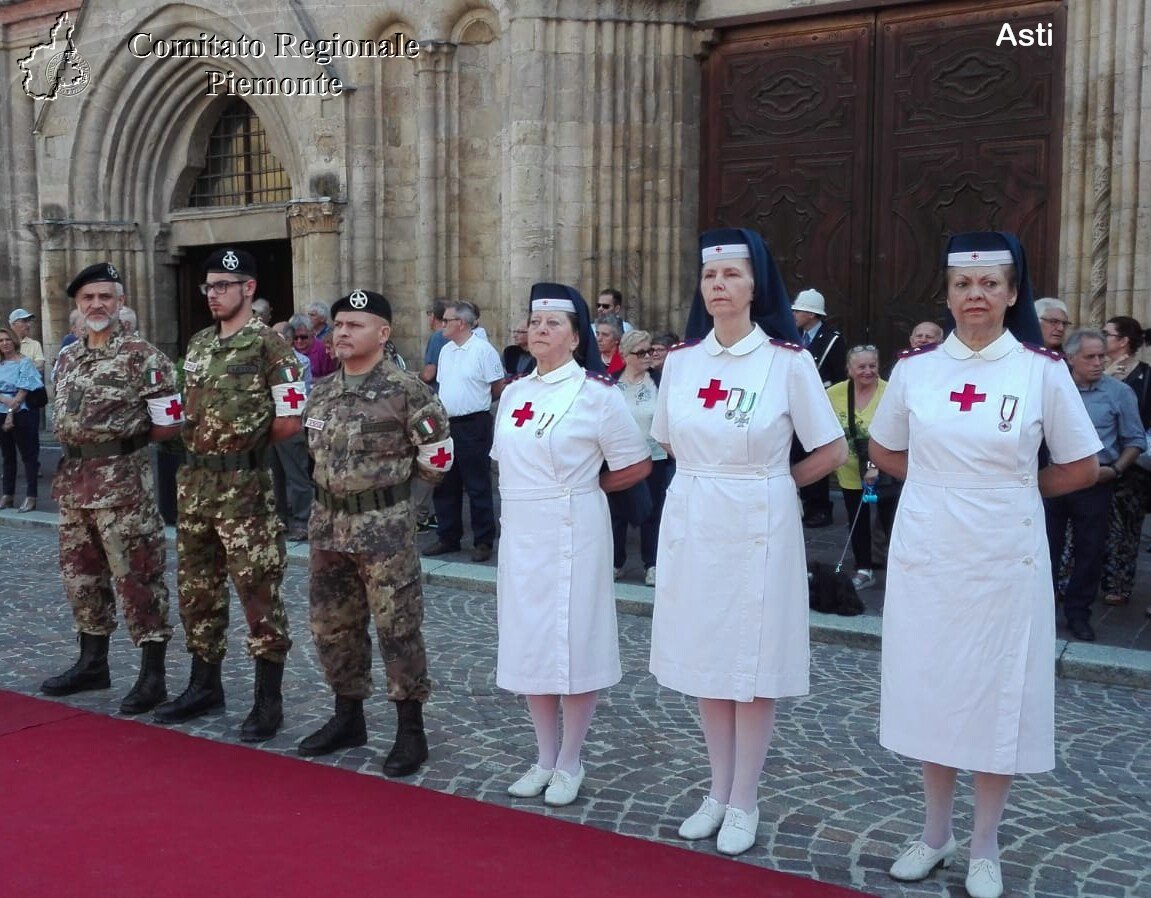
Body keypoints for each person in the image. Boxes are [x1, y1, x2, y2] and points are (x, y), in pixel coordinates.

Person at [868, 232, 1101, 898]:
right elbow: (884, 451)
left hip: (1004, 552)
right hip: (929, 549)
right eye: (963, 286)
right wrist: (943, 485)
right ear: (946, 294)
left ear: (1011, 293)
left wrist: (1011, 492)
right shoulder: (915, 371)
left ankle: (984, 845)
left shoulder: (1040, 371)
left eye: (989, 284)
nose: (976, 297)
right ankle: (934, 833)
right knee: (933, 688)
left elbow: (1080, 465)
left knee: (996, 691)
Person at [649, 228, 847, 856]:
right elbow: (671, 441)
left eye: (732, 275)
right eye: (710, 277)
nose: (718, 286)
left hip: (760, 521)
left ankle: (746, 799)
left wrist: (776, 482)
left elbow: (833, 449)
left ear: (756, 285)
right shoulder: (681, 363)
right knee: (709, 659)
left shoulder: (787, 361)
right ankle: (717, 789)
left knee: (753, 665)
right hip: (696, 516)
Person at [494, 282, 650, 807]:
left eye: (553, 323)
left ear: (577, 336)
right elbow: (505, 463)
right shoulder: (514, 393)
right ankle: (543, 756)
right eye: (535, 321)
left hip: (574, 529)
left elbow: (636, 463)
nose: (540, 330)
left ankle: (571, 761)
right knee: (531, 640)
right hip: (521, 528)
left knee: (574, 640)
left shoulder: (596, 395)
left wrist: (584, 488)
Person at [297, 289, 454, 777]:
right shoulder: (321, 390)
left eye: (355, 325)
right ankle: (348, 716)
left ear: (383, 334)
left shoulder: (408, 392)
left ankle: (410, 729)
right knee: (332, 627)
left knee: (398, 629)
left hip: (384, 532)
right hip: (328, 528)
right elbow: (312, 458)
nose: (342, 332)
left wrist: (388, 500)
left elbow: (437, 461)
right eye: (339, 324)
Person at [154, 248, 306, 742]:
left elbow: (289, 420)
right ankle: (205, 684)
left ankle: (268, 699)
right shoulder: (198, 345)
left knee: (258, 589)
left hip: (244, 489)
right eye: (209, 287)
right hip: (195, 485)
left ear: (248, 289)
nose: (214, 294)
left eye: (223, 285)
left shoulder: (271, 348)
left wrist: (243, 448)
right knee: (197, 589)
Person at [40, 262, 183, 713]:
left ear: (121, 302)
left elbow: (169, 423)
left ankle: (152, 675)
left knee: (138, 577)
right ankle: (92, 662)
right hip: (74, 485)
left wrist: (121, 446)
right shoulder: (67, 356)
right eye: (88, 298)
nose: (97, 305)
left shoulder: (146, 357)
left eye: (106, 296)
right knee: (81, 578)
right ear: (78, 307)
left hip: (123, 487)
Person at [1044, 328, 1144, 642]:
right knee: (1044, 547)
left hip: (1095, 482)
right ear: (1070, 358)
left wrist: (1114, 470)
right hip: (1052, 480)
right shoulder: (1051, 390)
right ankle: (1041, 612)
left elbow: (1135, 440)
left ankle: (1078, 614)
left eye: (1102, 355)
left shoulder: (1119, 393)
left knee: (1090, 552)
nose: (1099, 362)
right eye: (1090, 357)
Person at [424, 301, 505, 562]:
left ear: (461, 323)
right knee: (445, 481)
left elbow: (497, 386)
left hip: (473, 423)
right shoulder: (446, 351)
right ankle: (449, 536)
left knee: (477, 483)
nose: (442, 325)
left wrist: (476, 405)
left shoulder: (483, 350)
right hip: (447, 424)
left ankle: (483, 540)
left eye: (446, 320)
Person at [825, 345, 898, 590]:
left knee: (891, 521)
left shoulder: (891, 392)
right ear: (849, 369)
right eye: (861, 367)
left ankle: (902, 570)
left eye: (872, 366)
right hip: (849, 471)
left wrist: (876, 464)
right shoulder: (834, 393)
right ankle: (864, 569)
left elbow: (899, 431)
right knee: (858, 522)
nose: (868, 371)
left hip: (886, 470)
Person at [608, 330, 670, 586]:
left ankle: (652, 563)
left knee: (653, 512)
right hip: (618, 458)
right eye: (641, 352)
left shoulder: (661, 382)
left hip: (654, 457)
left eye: (651, 351)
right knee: (616, 512)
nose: (648, 356)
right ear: (625, 355)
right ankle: (615, 562)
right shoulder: (610, 382)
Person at [1099, 316, 1151, 608]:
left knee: (1127, 528)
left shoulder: (1146, 375)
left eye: (1106, 334)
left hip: (1133, 465)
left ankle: (1119, 583)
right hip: (1100, 458)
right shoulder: (1097, 372)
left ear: (1123, 341)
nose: (1101, 338)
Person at [791, 288, 845, 527]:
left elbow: (838, 376)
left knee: (817, 456)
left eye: (799, 310)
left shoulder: (832, 339)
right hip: (796, 406)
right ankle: (802, 502)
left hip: (820, 405)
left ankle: (820, 508)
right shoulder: (794, 337)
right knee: (796, 454)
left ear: (812, 315)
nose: (794, 314)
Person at [269, 320, 315, 542]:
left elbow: (299, 393)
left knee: (296, 474)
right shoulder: (266, 361)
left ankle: (302, 521)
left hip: (290, 424)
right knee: (273, 475)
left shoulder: (299, 361)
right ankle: (280, 518)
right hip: (270, 424)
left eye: (276, 336)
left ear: (287, 340)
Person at [0, 326, 43, 511]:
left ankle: (31, 496)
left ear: (13, 340)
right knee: (7, 456)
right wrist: (4, 401)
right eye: (0, 341)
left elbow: (24, 389)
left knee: (28, 456)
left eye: (7, 339)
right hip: (1, 410)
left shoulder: (24, 362)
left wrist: (11, 410)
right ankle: (7, 495)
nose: (4, 343)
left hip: (22, 412)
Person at [8, 308, 45, 375]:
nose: (28, 325)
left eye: (29, 321)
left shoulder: (35, 344)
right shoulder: (4, 343)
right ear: (13, 324)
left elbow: (40, 365)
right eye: (24, 321)